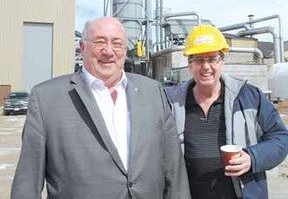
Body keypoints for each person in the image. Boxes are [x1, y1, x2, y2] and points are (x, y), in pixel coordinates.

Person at [11, 17, 191, 199]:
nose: (109, 51)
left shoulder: (153, 92)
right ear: (82, 48)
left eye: (117, 43)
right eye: (100, 42)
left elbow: (174, 171)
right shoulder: (47, 98)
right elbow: (27, 182)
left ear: (125, 50)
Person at [165, 24, 288, 199]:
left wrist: (251, 158)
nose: (206, 66)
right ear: (190, 64)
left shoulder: (250, 97)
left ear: (222, 62)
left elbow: (281, 138)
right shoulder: (171, 102)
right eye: (199, 59)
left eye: (212, 59)